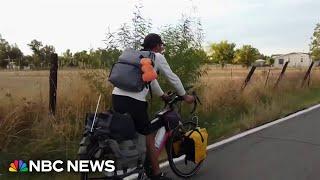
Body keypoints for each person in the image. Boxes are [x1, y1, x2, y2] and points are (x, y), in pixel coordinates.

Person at [111, 33, 194, 180]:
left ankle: (133, 165)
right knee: (148, 135)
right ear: (156, 46)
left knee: (129, 133)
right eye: (161, 45)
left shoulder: (139, 57)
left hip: (117, 97)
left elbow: (151, 80)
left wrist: (162, 95)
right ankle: (156, 174)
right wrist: (185, 96)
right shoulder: (157, 57)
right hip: (134, 101)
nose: (162, 48)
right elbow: (173, 78)